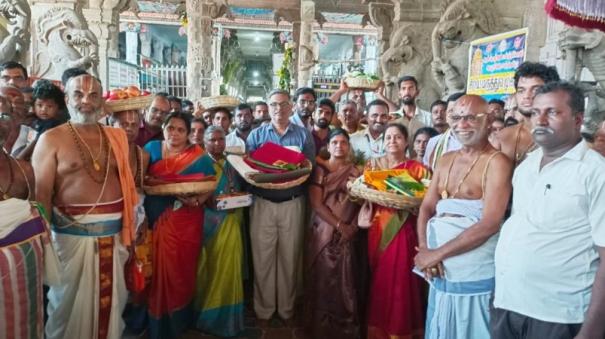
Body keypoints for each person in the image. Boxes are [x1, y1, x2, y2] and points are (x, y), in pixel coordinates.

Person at [492, 82, 605, 339]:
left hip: (557, 315)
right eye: (535, 112)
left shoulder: (595, 173)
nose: (540, 120)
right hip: (508, 304)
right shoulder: (527, 166)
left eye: (552, 112)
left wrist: (592, 331)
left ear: (578, 119)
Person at [33, 74, 139, 339]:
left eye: (93, 95)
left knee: (113, 307)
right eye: (78, 94)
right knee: (65, 310)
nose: (86, 101)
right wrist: (43, 244)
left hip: (115, 238)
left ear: (102, 102)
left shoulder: (117, 137)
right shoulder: (51, 139)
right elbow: (41, 196)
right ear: (67, 100)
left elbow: (128, 185)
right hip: (69, 240)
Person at [415, 95, 512, 338]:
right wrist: (426, 251)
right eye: (457, 117)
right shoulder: (446, 159)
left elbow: (490, 223)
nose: (462, 124)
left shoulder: (497, 162)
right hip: (439, 269)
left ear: (489, 120)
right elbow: (426, 208)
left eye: (470, 118)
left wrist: (435, 254)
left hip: (473, 272)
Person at [246, 89, 315, 326]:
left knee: (289, 256)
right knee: (262, 257)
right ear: (267, 106)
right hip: (262, 203)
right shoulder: (256, 135)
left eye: (283, 104)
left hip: (292, 203)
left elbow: (309, 169)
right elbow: (250, 170)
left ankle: (286, 309)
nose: (278, 109)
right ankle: (264, 310)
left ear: (291, 107)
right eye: (274, 104)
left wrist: (289, 171)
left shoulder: (304, 136)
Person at [143, 112, 213, 338]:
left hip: (185, 220)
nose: (174, 133)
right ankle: (155, 324)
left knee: (180, 271)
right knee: (154, 270)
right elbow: (138, 178)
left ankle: (178, 322)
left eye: (180, 130)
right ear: (163, 128)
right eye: (170, 128)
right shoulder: (151, 148)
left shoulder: (198, 155)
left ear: (188, 134)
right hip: (154, 216)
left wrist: (196, 201)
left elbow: (210, 183)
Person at [359, 123, 431, 338]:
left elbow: (426, 199)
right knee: (381, 279)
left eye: (397, 137)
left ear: (406, 141)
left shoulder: (419, 169)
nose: (392, 141)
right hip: (378, 228)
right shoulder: (373, 166)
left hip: (405, 228)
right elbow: (361, 193)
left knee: (401, 279)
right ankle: (378, 329)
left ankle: (401, 329)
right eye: (388, 137)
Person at [1, 107, 57, 339]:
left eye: (5, 111)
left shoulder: (25, 170)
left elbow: (39, 214)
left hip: (26, 269)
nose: (1, 114)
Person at [304, 128, 361, 339]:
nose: (339, 146)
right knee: (324, 278)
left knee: (346, 280)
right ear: (328, 147)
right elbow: (317, 204)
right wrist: (340, 226)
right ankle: (321, 329)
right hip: (326, 230)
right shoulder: (320, 170)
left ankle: (344, 328)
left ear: (349, 146)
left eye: (343, 142)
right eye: (335, 142)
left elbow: (363, 203)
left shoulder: (356, 171)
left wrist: (353, 227)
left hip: (349, 231)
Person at [194, 126, 245, 337]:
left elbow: (239, 187)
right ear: (204, 142)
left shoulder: (232, 162)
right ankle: (205, 314)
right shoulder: (200, 163)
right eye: (212, 140)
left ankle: (226, 318)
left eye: (220, 139)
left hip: (231, 220)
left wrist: (236, 200)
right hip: (207, 223)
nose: (217, 143)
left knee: (229, 267)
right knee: (208, 267)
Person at [493, 62, 560, 166]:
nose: (526, 96)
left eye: (535, 90)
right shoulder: (502, 137)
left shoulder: (564, 138)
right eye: (521, 90)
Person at [15, 80, 67, 161]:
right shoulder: (37, 120)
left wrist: (19, 159)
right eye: (39, 105)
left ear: (59, 109)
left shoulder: (51, 124)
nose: (43, 109)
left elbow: (35, 142)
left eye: (49, 106)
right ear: (34, 105)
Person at [423, 92, 465, 170]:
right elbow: (428, 173)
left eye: (460, 110)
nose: (454, 115)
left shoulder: (478, 142)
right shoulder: (434, 142)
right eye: (451, 111)